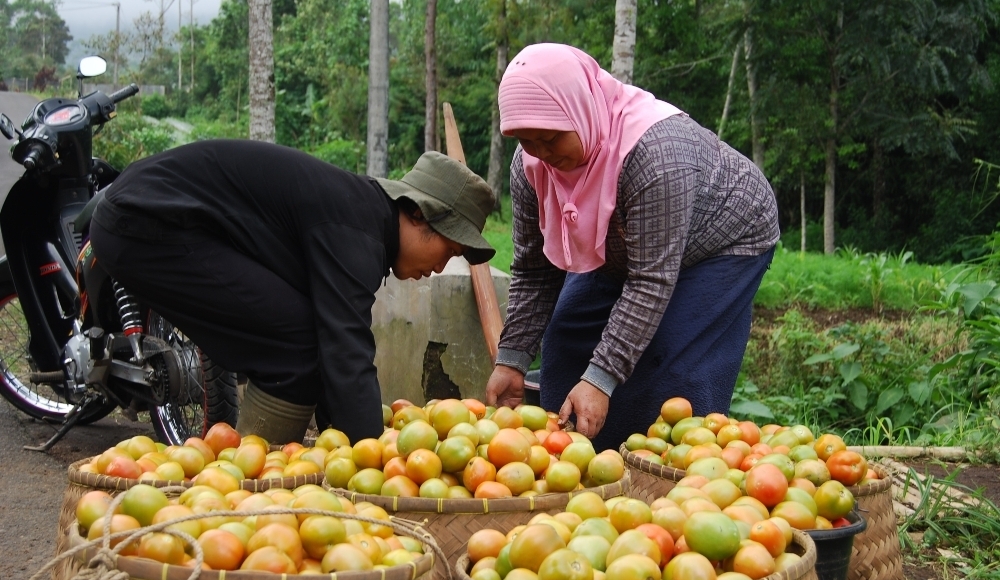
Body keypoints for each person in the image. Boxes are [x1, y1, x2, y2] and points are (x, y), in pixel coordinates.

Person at [90, 140, 495, 444]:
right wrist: (373, 454)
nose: (442, 266)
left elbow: (338, 350)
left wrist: (351, 435)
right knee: (295, 347)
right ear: (418, 212)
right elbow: (346, 352)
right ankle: (253, 494)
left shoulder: (364, 220)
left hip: (149, 213)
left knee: (305, 337)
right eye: (450, 249)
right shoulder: (356, 232)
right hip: (142, 221)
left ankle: (256, 482)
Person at [485, 43, 780, 450]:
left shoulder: (654, 154)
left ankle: (666, 480)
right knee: (567, 334)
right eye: (526, 140)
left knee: (671, 361)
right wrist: (512, 358)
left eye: (551, 138)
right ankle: (572, 462)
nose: (542, 154)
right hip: (626, 244)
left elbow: (649, 281)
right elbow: (535, 269)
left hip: (723, 238)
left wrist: (601, 378)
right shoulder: (531, 165)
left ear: (580, 109)